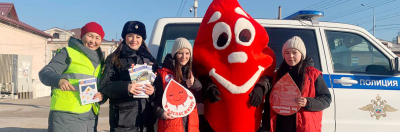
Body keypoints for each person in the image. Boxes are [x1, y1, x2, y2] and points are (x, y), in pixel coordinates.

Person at [39, 22, 105, 132]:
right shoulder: (68, 53)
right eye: (90, 36)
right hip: (66, 114)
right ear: (82, 36)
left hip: (90, 115)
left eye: (97, 38)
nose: (93, 41)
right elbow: (44, 73)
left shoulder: (100, 62)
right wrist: (59, 80)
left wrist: (101, 95)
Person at [99, 21, 157, 132]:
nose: (134, 40)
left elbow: (157, 87)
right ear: (125, 37)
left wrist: (152, 90)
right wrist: (126, 87)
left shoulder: (149, 59)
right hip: (123, 122)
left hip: (146, 122)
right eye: (130, 36)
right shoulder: (114, 59)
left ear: (142, 39)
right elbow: (104, 86)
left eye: (138, 36)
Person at [270, 36, 332, 132]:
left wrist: (308, 102)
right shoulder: (278, 75)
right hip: (281, 125)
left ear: (302, 54)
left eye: (294, 52)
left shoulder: (312, 74)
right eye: (287, 53)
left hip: (303, 126)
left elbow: (326, 99)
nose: (290, 56)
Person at [153, 37, 202, 132]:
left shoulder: (192, 73)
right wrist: (161, 112)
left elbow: (200, 98)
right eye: (180, 53)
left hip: (191, 126)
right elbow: (157, 99)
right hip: (170, 125)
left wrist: (194, 84)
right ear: (175, 54)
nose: (184, 56)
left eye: (187, 53)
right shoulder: (163, 74)